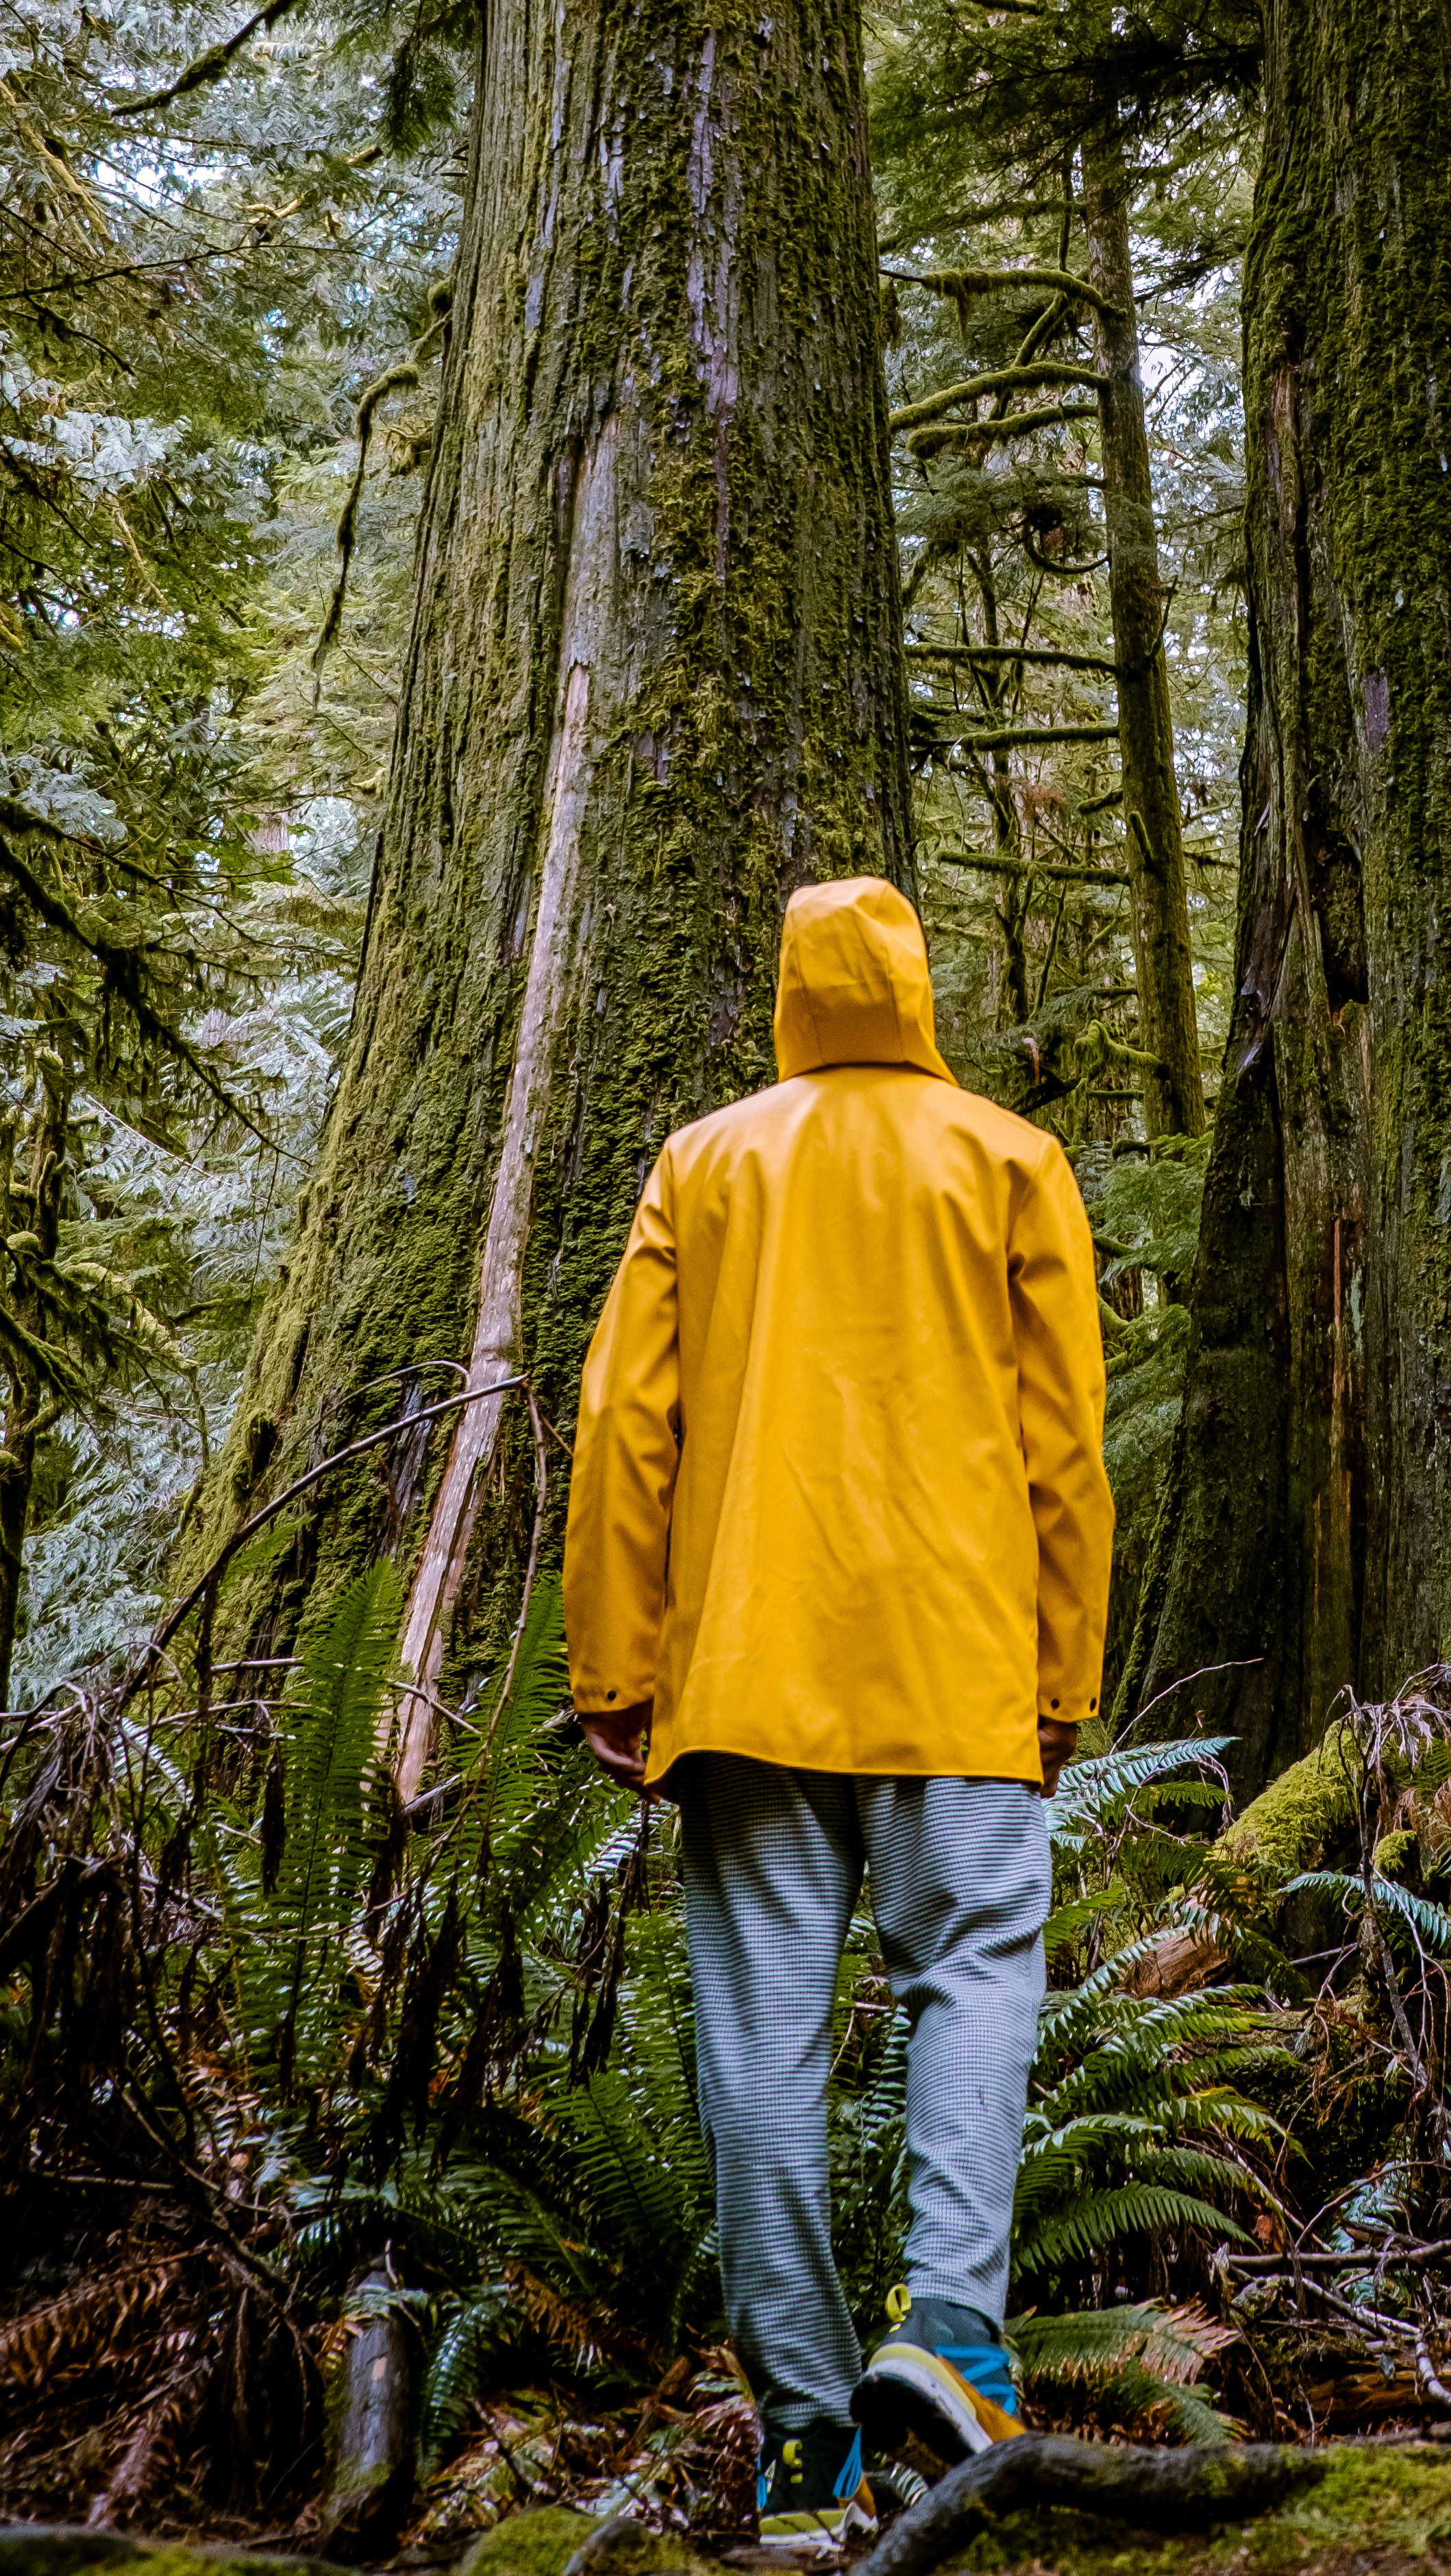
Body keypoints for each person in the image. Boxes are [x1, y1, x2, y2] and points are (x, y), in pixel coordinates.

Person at [565, 876, 1113, 2555]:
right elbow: (1063, 1446)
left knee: (758, 2048)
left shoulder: (706, 1162)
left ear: (790, 988)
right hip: (958, 1669)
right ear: (917, 985)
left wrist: (615, 1665)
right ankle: (950, 2325)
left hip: (743, 1674)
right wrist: (1064, 1672)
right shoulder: (1008, 1156)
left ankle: (806, 2447)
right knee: (975, 1974)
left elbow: (624, 1427)